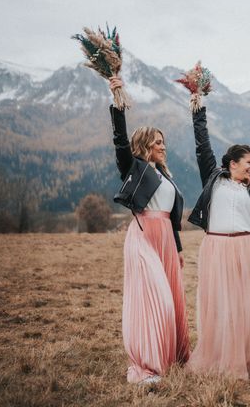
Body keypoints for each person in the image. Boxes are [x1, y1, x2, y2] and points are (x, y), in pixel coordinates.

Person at [108, 76, 190, 384]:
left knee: (173, 299)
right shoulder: (135, 168)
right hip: (143, 237)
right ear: (145, 146)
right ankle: (147, 365)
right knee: (156, 300)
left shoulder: (166, 176)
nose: (163, 146)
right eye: (158, 142)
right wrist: (118, 102)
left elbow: (171, 217)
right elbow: (119, 143)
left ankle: (172, 356)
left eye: (163, 141)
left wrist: (179, 250)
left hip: (166, 241)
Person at [186, 105, 250, 381]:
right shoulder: (214, 180)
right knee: (220, 305)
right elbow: (203, 147)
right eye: (249, 162)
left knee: (244, 309)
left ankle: (244, 361)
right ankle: (217, 358)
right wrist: (198, 111)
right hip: (216, 248)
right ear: (232, 164)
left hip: (246, 249)